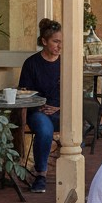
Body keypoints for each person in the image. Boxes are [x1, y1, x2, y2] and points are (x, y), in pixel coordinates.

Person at [18, 18, 63, 193]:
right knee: (45, 130)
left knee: (78, 125)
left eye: (62, 42)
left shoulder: (66, 64)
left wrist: (60, 108)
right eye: (55, 42)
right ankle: (41, 175)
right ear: (44, 41)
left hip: (61, 110)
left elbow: (76, 91)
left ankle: (71, 171)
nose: (59, 46)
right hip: (37, 111)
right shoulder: (32, 64)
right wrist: (40, 106)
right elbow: (24, 93)